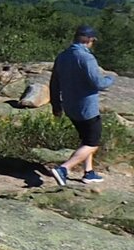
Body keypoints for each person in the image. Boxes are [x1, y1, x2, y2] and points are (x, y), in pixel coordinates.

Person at [49, 25, 116, 186]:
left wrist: (56, 105)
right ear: (90, 40)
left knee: (86, 139)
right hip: (87, 107)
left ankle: (89, 172)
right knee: (92, 142)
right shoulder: (86, 58)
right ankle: (64, 169)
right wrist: (110, 79)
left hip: (70, 106)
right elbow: (97, 82)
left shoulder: (63, 56)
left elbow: (54, 83)